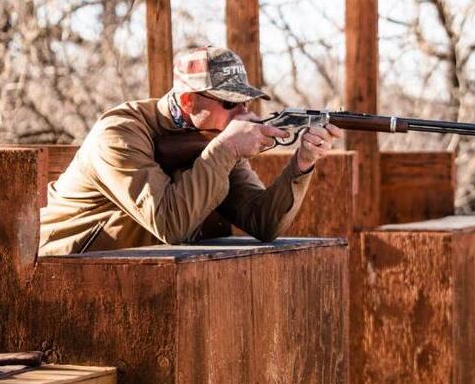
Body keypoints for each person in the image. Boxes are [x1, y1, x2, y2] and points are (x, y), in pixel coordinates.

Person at [38, 46, 340, 256]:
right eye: (229, 103)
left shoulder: (215, 139)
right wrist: (226, 148)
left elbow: (263, 222)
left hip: (131, 275)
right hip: (60, 274)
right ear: (187, 101)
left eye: (245, 102)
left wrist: (302, 165)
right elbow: (170, 225)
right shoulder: (119, 134)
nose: (242, 112)